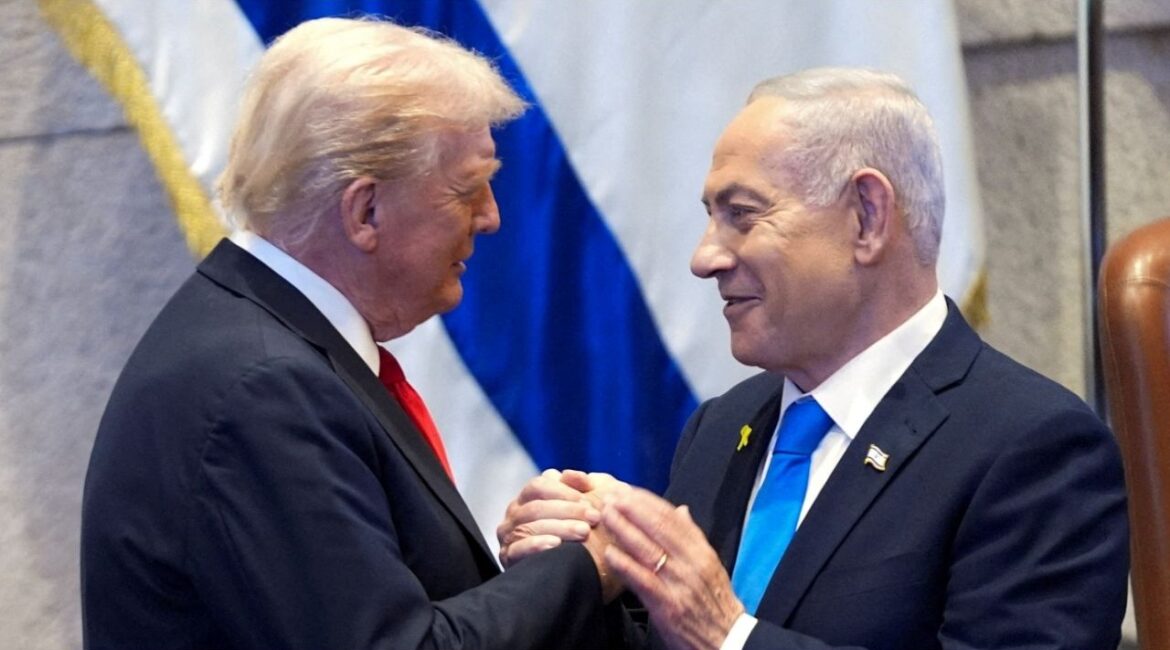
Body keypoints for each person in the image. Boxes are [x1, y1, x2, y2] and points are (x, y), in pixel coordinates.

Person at [499, 68, 1129, 650]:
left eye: (741, 215)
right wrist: (581, 577)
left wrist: (730, 636)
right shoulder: (723, 427)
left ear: (867, 217)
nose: (705, 258)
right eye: (711, 219)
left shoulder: (1034, 448)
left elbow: (715, 632)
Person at [81, 17, 619, 650]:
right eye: (467, 190)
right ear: (365, 211)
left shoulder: (263, 344)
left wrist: (541, 568)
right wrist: (590, 565)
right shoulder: (264, 388)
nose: (491, 217)